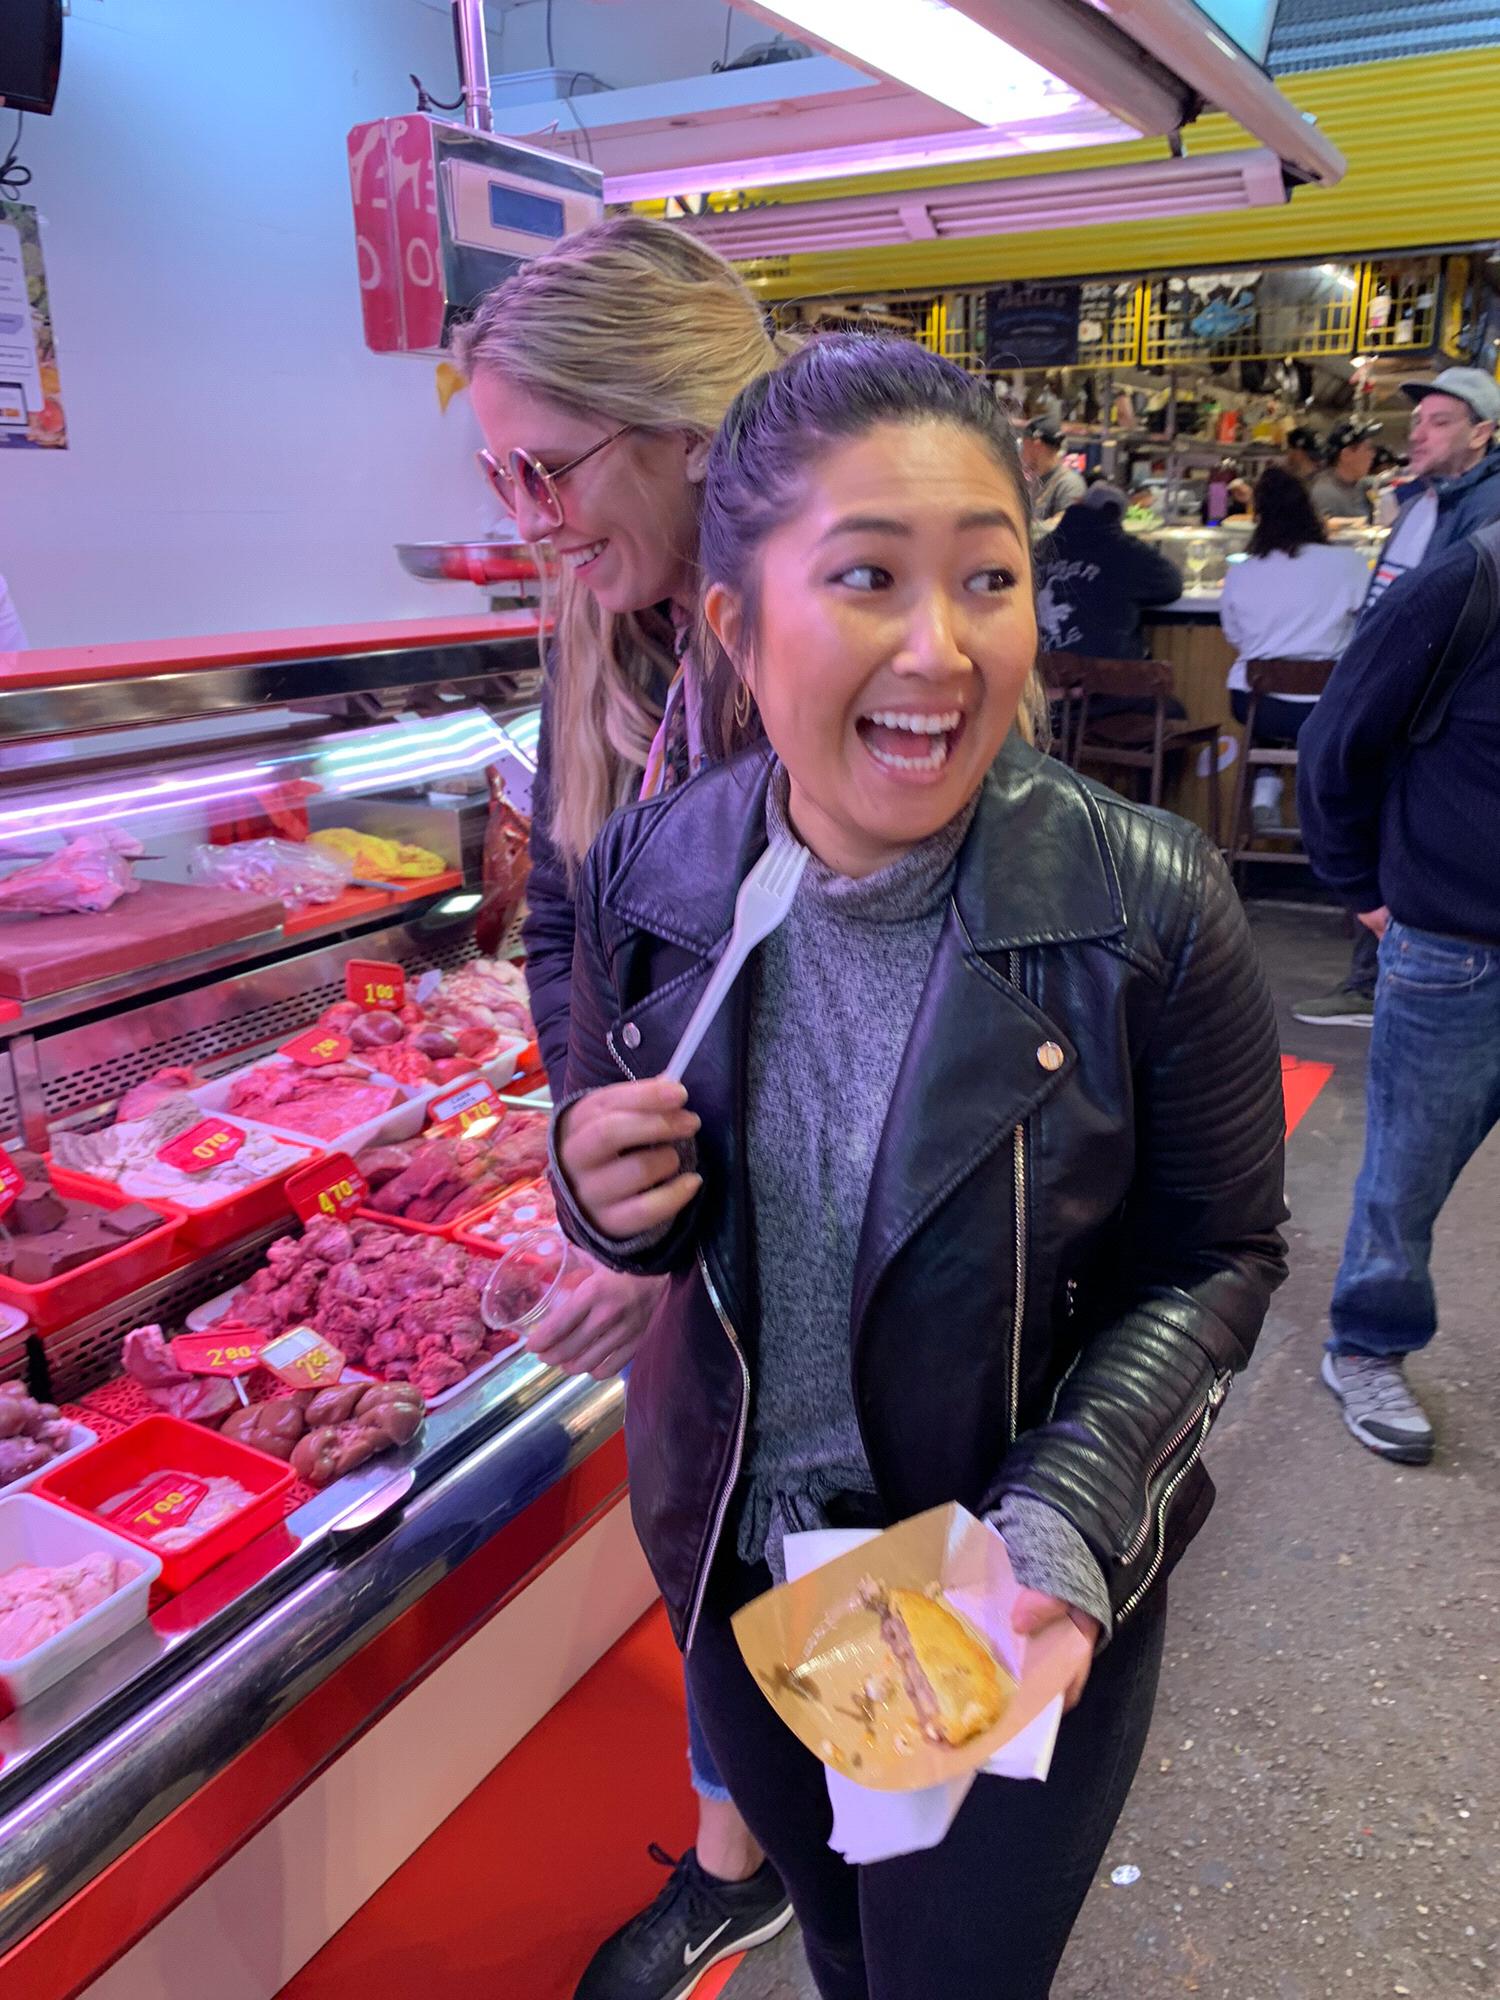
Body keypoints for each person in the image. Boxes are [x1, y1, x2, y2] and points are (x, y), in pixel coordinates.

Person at [553, 336, 1288, 1998]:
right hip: (746, 1544)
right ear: (738, 625)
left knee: (937, 1980)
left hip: (980, 1566)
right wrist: (594, 1191)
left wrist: (1073, 1512)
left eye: (989, 579)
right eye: (870, 576)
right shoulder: (651, 879)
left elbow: (1221, 1252)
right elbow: (624, 1165)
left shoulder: (1144, 907)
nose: (943, 650)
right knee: (839, 1938)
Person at [453, 215, 794, 1999]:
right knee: (713, 1547)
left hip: (842, 1251)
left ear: (682, 429)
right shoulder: (599, 637)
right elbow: (575, 929)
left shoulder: (828, 645)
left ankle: (869, 1882)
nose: (531, 514)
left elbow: (865, 1028)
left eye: (550, 464)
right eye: (500, 471)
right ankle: (742, 1858)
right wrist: (602, 1187)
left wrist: (671, 1243)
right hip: (694, 1228)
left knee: (850, 1571)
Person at [1298, 525, 1500, 1465]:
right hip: (1456, 949)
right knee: (1405, 1176)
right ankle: (1367, 1346)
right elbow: (1337, 737)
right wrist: (1363, 892)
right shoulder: (1470, 583)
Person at [1294, 365, 1500, 1026]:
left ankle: (1375, 978)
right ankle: (1370, 974)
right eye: (1417, 420)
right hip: (1385, 693)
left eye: (1441, 421)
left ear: (1484, 434)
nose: (1419, 432)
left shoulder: (1486, 511)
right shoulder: (1422, 499)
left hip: (1425, 715)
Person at [1220, 466, 1368, 829]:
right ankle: (1320, 812)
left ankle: (1266, 790)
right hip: (1328, 702)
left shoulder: (1242, 570)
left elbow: (1234, 635)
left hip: (1257, 702)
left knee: (1267, 714)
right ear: (1310, 511)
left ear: (1260, 516)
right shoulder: (1347, 564)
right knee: (1326, 723)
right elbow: (1369, 624)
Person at [1035, 483, 1183, 660]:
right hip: (1109, 676)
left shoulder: (1043, 547)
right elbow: (1172, 584)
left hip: (1044, 673)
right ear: (1116, 515)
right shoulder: (1126, 551)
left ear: (1081, 504)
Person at [1308, 417, 1380, 523]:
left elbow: (1385, 481)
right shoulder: (1324, 493)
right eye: (1368, 448)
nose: (1373, 454)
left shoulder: (1362, 484)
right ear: (1346, 455)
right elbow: (1324, 533)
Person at [1020, 414, 1085, 522]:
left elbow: (1068, 529)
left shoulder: (1069, 485)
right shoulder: (1034, 483)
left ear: (1037, 445)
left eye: (1024, 445)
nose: (1021, 453)